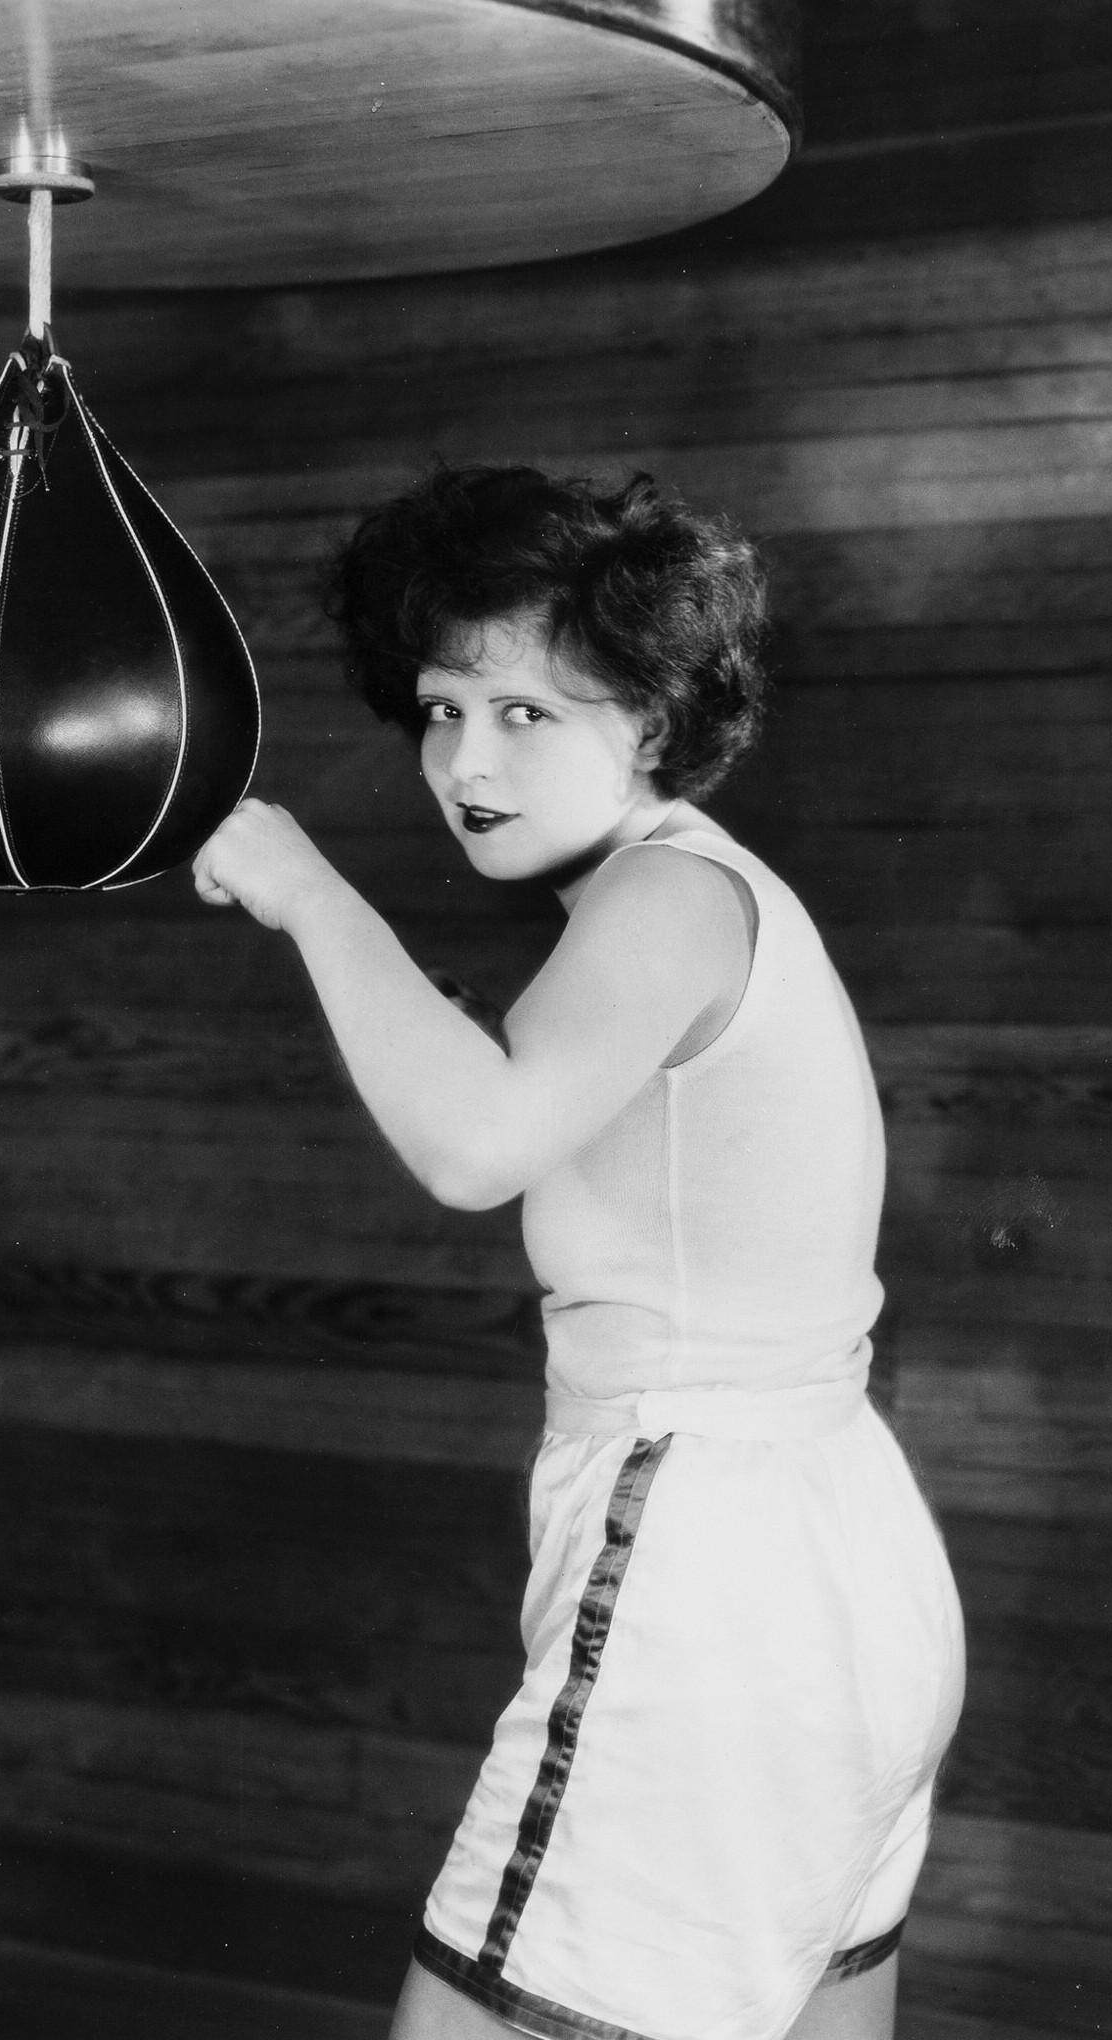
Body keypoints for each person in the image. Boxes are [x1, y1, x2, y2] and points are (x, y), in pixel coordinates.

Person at [192, 466, 965, 2040]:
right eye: (442, 708)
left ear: (657, 721)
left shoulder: (665, 895)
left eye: (528, 714)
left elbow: (475, 1145)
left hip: (710, 1573)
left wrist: (305, 890)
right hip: (844, 1560)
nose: (466, 762)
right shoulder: (700, 893)